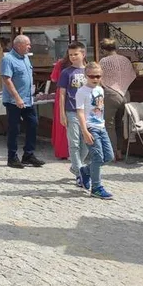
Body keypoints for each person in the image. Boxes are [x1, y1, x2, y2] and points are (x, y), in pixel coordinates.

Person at [0, 35, 44, 169]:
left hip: (28, 99)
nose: (30, 46)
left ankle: (28, 155)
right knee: (15, 128)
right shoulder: (8, 59)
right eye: (27, 44)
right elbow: (7, 80)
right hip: (14, 100)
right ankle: (12, 157)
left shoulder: (25, 57)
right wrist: (17, 97)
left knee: (33, 124)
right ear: (19, 45)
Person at [75, 62, 113, 200]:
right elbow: (79, 112)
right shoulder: (81, 92)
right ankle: (96, 188)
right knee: (97, 157)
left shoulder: (100, 90)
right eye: (92, 76)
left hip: (101, 127)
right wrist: (85, 132)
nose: (95, 79)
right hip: (90, 128)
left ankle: (85, 171)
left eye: (98, 76)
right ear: (86, 75)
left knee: (108, 156)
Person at [99, 38, 137, 161]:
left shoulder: (104, 61)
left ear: (103, 50)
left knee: (109, 124)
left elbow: (99, 77)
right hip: (125, 94)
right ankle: (120, 152)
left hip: (110, 94)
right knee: (120, 124)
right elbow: (132, 75)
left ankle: (112, 153)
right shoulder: (125, 60)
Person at [57, 42, 88, 186]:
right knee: (74, 143)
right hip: (72, 111)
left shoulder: (89, 71)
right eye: (70, 55)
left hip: (88, 113)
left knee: (87, 143)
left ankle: (76, 167)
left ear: (83, 54)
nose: (73, 57)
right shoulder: (66, 72)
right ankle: (80, 173)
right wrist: (62, 113)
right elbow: (62, 94)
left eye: (76, 54)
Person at [49, 51, 70, 161]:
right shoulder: (84, 64)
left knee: (62, 123)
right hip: (74, 94)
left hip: (62, 93)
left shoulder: (61, 63)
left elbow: (53, 78)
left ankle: (63, 151)